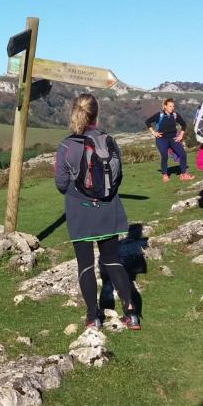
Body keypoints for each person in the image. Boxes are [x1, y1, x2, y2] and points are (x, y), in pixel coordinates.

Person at [55, 94, 141, 330]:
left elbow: (61, 183)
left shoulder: (66, 146)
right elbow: (118, 176)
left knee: (85, 264)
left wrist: (78, 190)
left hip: (79, 211)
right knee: (112, 259)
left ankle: (93, 317)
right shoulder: (109, 140)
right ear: (96, 113)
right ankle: (131, 313)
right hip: (109, 207)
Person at [145, 99, 193, 182]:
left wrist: (181, 135)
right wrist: (154, 132)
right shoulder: (159, 115)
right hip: (161, 139)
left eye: (173, 106)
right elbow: (147, 121)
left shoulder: (175, 115)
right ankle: (165, 174)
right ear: (165, 106)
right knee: (164, 156)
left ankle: (183, 174)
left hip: (173, 138)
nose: (172, 108)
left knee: (183, 154)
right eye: (170, 106)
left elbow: (183, 124)